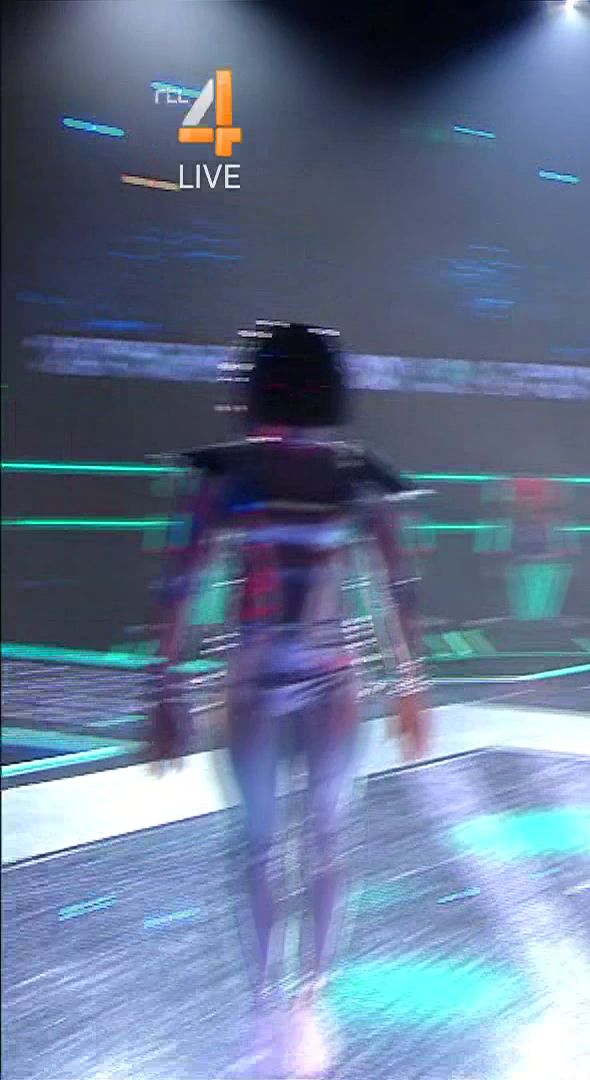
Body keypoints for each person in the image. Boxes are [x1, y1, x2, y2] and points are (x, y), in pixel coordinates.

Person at [143, 320, 431, 1077]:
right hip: (281, 674)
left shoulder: (323, 475)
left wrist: (410, 683)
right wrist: (163, 687)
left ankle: (299, 996)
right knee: (283, 840)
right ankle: (280, 998)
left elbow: (395, 585)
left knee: (297, 840)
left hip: (304, 674)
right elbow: (396, 587)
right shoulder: (256, 475)